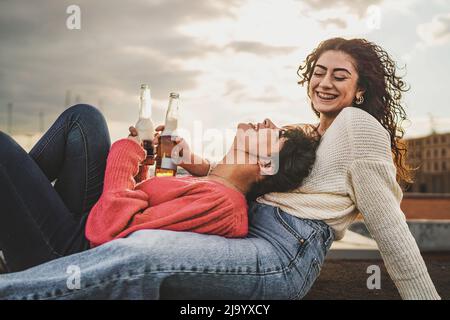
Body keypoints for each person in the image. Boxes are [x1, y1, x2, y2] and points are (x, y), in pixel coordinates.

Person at [0, 37, 441, 300]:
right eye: (319, 72)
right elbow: (257, 181)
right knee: (85, 119)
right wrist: (201, 165)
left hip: (280, 255)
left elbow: (389, 223)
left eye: (339, 76)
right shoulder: (312, 133)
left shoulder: (357, 126)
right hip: (257, 228)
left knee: (144, 253)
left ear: (361, 90)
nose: (325, 82)